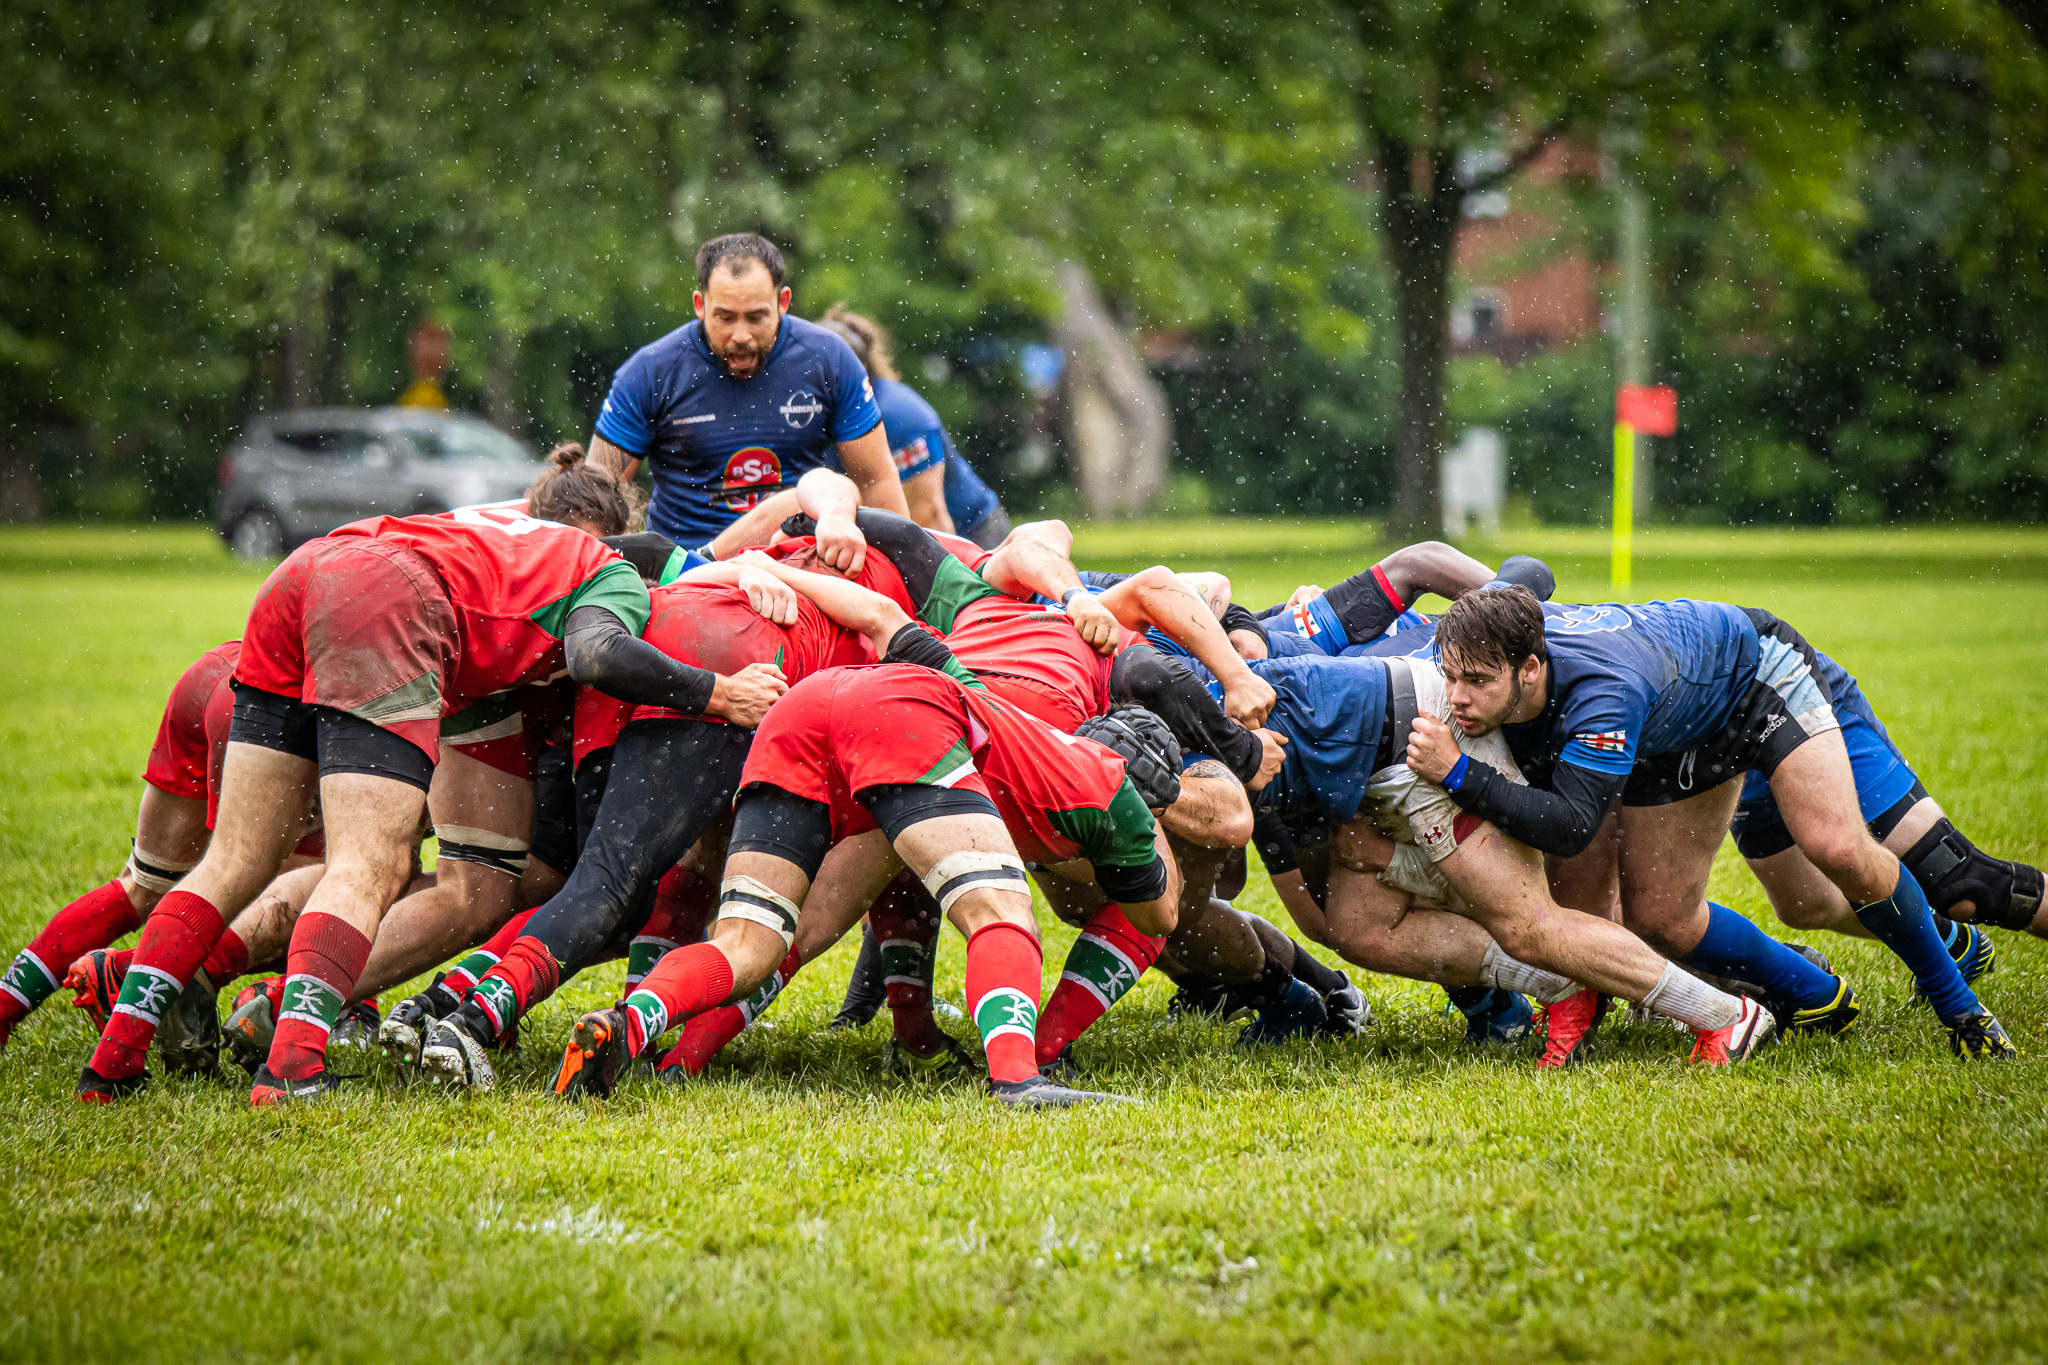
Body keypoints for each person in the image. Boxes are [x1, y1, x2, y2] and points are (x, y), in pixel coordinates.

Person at [74, 491, 785, 1105]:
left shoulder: (514, 529)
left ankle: (113, 1062)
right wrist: (719, 691)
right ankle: (290, 1066)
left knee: (235, 858)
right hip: (399, 603)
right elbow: (596, 653)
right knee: (371, 864)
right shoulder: (615, 572)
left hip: (311, 571)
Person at [1413, 587, 2015, 1059]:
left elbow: (1570, 827)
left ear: (1532, 669)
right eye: (1450, 675)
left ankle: (1958, 1006)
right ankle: (1814, 996)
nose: (1457, 696)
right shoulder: (1507, 634)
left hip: (1756, 680)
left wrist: (1459, 772)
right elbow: (1521, 571)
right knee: (1663, 919)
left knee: (1839, 850)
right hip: (1671, 728)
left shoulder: (1604, 696)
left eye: (1477, 682)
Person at [585, 233, 908, 552]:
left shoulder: (828, 360)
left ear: (782, 303)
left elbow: (876, 482)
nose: (740, 335)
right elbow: (596, 498)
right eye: (725, 317)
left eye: (756, 318)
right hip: (688, 572)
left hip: (798, 560)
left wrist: (908, 577)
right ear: (700, 305)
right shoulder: (648, 373)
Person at [1730, 647, 2040, 960]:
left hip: (1795, 696)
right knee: (1805, 903)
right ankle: (1950, 941)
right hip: (1730, 740)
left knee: (1960, 881)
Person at [819, 304, 1011, 548]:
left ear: (857, 372)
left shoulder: (900, 417)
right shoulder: (810, 411)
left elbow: (931, 519)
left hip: (974, 533)